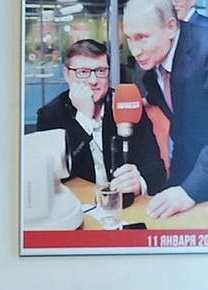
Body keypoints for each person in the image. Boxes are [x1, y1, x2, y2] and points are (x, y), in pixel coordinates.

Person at [36, 39, 166, 196]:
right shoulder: (50, 115)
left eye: (101, 71)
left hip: (124, 204)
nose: (93, 81)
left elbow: (156, 170)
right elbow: (52, 177)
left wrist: (140, 183)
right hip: (79, 205)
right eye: (83, 72)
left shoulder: (126, 104)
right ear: (67, 74)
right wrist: (83, 118)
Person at [124, 0, 208, 218]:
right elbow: (184, 131)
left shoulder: (205, 51)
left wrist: (188, 190)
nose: (135, 51)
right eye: (129, 38)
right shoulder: (153, 68)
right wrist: (174, 187)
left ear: (171, 27)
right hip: (191, 174)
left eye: (142, 37)